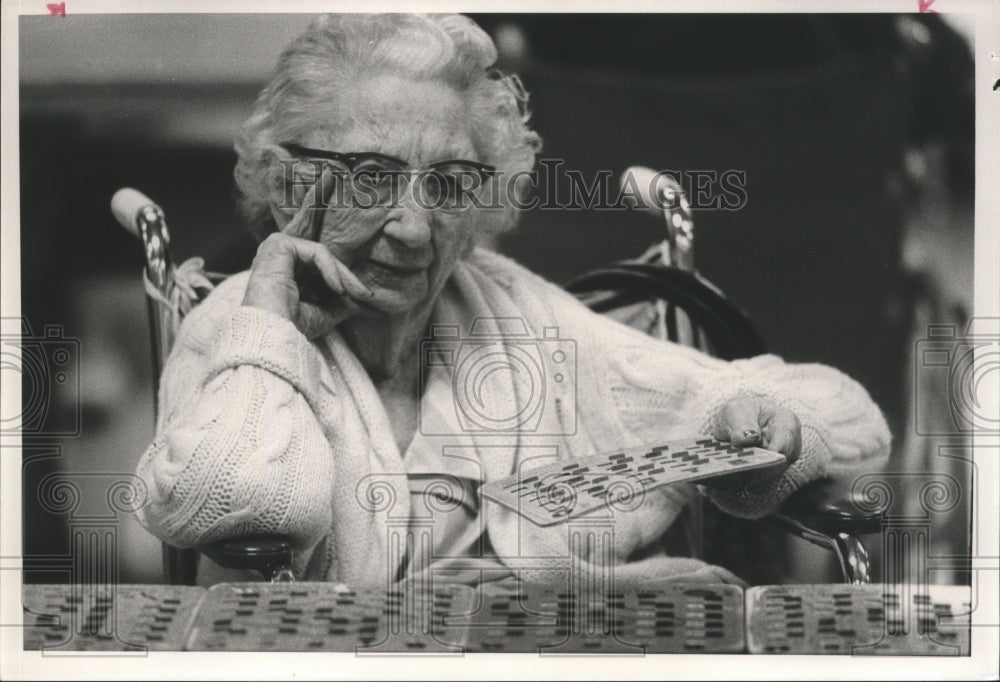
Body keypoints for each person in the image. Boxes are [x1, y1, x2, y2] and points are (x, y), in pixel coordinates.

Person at [135, 13, 890, 588]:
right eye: (371, 176)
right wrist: (273, 336)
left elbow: (846, 414)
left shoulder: (513, 313)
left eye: (450, 183)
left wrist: (759, 424)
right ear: (290, 182)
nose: (414, 226)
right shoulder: (235, 327)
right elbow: (231, 506)